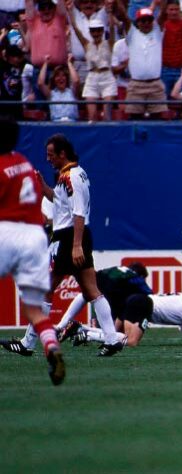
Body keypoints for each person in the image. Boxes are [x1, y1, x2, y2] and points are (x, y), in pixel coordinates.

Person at [11, 135, 125, 357]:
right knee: (91, 290)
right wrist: (43, 186)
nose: (48, 159)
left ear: (63, 154)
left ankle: (28, 343)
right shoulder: (68, 175)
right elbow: (60, 202)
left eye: (51, 155)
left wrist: (76, 245)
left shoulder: (73, 176)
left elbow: (78, 212)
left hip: (69, 237)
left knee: (45, 288)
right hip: (73, 237)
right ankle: (111, 339)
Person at [0, 118, 65, 385]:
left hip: (7, 232)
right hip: (36, 237)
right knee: (34, 309)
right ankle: (51, 347)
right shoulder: (25, 164)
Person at [74, 284, 182, 348]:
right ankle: (88, 334)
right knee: (131, 342)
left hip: (136, 300)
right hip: (144, 305)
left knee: (116, 336)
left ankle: (82, 329)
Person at [55, 263, 152, 342]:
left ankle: (61, 326)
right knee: (113, 332)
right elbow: (149, 294)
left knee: (86, 294)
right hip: (113, 288)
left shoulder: (120, 269)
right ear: (142, 275)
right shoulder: (136, 279)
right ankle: (84, 332)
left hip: (101, 276)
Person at [67, 14, 116, 121]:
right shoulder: (86, 45)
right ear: (90, 32)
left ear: (102, 31)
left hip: (107, 77)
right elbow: (75, 29)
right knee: (92, 116)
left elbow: (112, 28)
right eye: (93, 31)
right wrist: (70, 12)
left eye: (98, 30)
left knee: (107, 114)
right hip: (92, 77)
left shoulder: (109, 43)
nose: (96, 33)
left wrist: (109, 12)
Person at [37, 54, 80, 121]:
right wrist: (45, 63)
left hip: (72, 123)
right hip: (56, 123)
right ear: (54, 79)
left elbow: (76, 81)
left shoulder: (72, 91)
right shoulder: (51, 94)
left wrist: (69, 63)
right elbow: (40, 83)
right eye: (57, 76)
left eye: (63, 76)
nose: (61, 78)